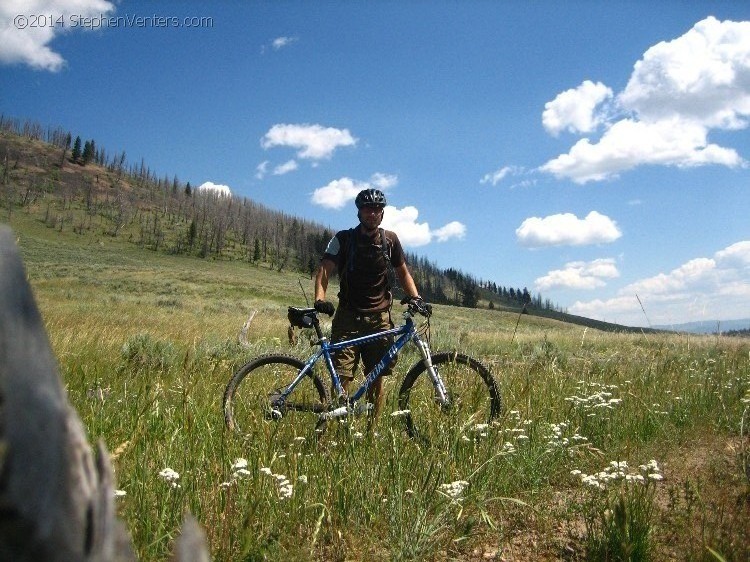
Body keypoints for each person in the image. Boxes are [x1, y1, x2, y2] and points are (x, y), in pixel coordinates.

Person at [314, 188, 424, 420]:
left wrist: (416, 298)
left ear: (382, 213)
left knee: (376, 377)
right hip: (347, 318)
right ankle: (335, 430)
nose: (372, 213)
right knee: (341, 377)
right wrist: (319, 299)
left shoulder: (390, 240)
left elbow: (403, 273)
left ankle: (371, 434)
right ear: (359, 212)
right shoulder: (343, 239)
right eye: (367, 209)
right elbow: (325, 269)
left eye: (377, 209)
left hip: (379, 320)